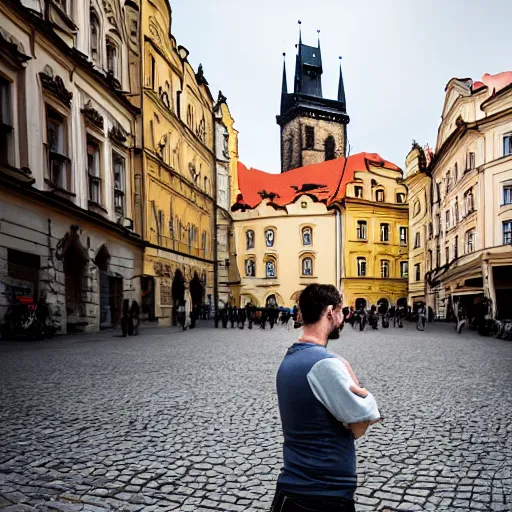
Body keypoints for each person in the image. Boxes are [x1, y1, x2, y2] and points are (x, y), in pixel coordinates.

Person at [272, 284, 381, 512]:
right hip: (323, 498)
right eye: (341, 311)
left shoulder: (290, 358)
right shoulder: (325, 364)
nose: (343, 318)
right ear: (330, 312)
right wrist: (368, 399)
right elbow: (359, 426)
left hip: (294, 492)